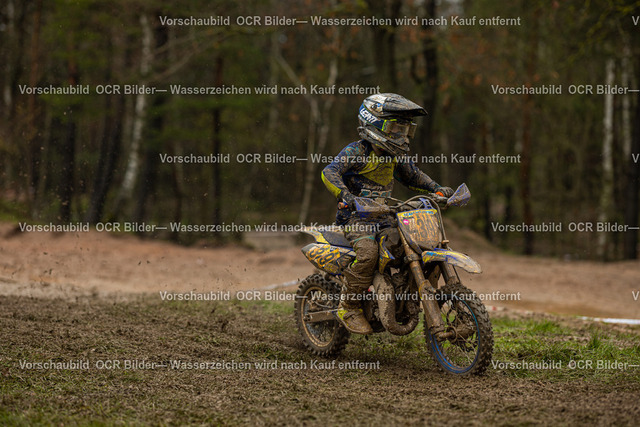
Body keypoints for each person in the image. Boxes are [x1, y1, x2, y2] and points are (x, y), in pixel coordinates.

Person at [321, 93, 453, 334]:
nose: (402, 135)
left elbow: (413, 177)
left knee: (414, 245)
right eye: (396, 128)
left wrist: (436, 189)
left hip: (385, 217)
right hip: (356, 219)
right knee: (368, 254)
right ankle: (348, 307)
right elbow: (329, 172)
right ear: (374, 123)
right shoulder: (357, 151)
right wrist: (346, 196)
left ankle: (403, 294)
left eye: (406, 130)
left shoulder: (395, 156)